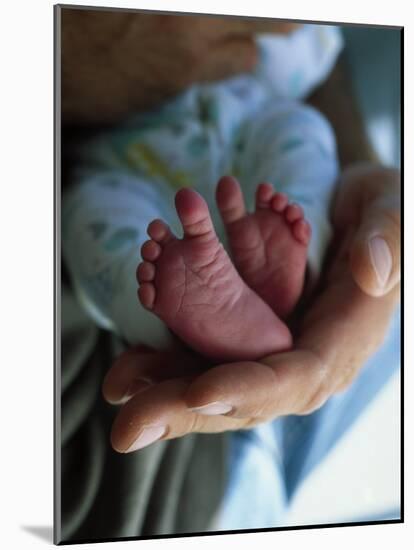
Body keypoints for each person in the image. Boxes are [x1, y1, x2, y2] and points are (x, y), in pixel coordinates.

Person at [59, 7, 400, 542]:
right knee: (87, 213)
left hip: (242, 136)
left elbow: (315, 55)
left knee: (301, 132)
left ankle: (292, 266)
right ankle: (181, 318)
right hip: (119, 152)